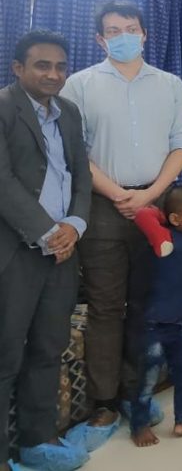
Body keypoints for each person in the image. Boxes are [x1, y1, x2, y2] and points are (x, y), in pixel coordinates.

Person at [61, 0, 182, 437]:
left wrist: (150, 195)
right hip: (102, 207)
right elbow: (74, 150)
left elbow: (181, 145)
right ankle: (103, 401)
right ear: (100, 39)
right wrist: (120, 194)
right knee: (104, 307)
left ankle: (137, 392)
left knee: (146, 306)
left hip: (157, 204)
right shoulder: (79, 85)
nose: (122, 36)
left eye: (130, 28)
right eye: (113, 30)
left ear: (144, 34)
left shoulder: (171, 84)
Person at [1, 30, 92, 471]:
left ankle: (37, 443)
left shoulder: (70, 113)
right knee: (5, 353)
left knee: (47, 348)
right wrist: (45, 232)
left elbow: (81, 176)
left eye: (60, 66)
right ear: (18, 68)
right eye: (42, 65)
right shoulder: (2, 109)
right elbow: (2, 182)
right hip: (15, 252)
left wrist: (73, 226)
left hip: (63, 251)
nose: (53, 74)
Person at [129, 188, 182, 448]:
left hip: (177, 322)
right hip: (151, 324)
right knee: (148, 375)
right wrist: (161, 219)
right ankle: (139, 425)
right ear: (176, 219)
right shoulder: (164, 239)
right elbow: (143, 214)